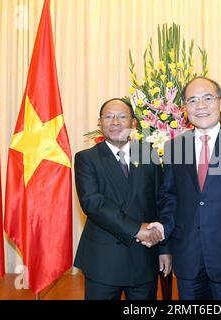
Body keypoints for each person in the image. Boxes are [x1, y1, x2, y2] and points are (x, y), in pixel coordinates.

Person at [149, 77, 221, 300]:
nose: (200, 106)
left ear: (220, 102)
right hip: (187, 259)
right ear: (184, 108)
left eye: (207, 98)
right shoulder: (175, 147)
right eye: (192, 100)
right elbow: (169, 198)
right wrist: (163, 242)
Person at [74, 98, 171, 300]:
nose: (115, 122)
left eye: (122, 116)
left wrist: (164, 248)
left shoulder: (149, 155)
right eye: (108, 117)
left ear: (133, 123)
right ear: (99, 123)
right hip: (103, 261)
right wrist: (137, 229)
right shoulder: (86, 159)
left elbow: (160, 203)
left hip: (144, 258)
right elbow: (93, 203)